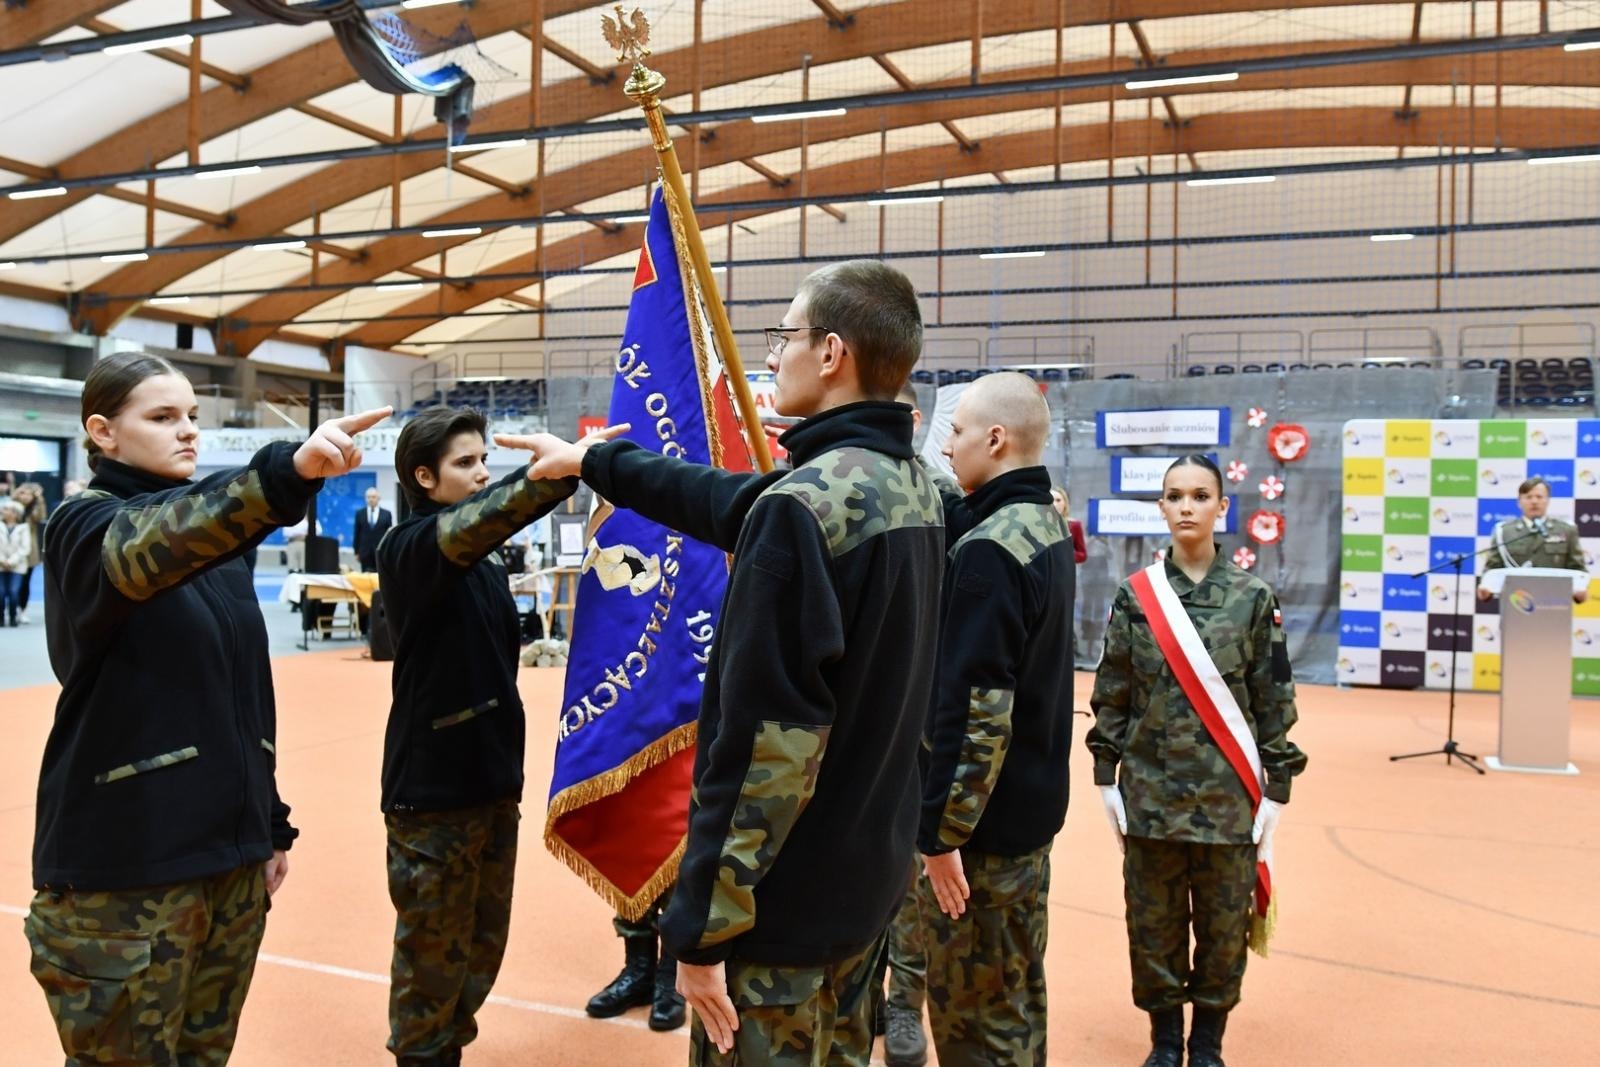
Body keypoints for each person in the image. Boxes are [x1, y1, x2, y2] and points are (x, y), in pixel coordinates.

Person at [514, 259, 943, 1066]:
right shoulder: (908, 486)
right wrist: (593, 462)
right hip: (866, 886)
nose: (771, 354)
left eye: (785, 334)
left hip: (781, 913)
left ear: (832, 354)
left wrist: (702, 927)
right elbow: (726, 501)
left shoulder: (801, 508)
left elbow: (763, 749)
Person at [26, 350, 388, 1065]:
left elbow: (240, 694)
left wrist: (269, 821)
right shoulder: (82, 526)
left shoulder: (223, 550)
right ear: (102, 432)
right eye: (162, 417)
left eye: (193, 414)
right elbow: (154, 541)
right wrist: (285, 473)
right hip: (128, 871)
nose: (188, 431)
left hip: (227, 862)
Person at [377, 406, 602, 1067]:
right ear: (423, 477)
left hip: (493, 781)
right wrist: (561, 472)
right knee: (431, 961)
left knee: (478, 947)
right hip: (433, 793)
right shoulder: (411, 549)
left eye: (484, 460)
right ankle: (424, 1056)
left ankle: (448, 1048)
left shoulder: (482, 562)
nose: (481, 474)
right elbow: (478, 523)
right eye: (464, 463)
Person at [1088, 454, 1308, 1067]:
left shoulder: (1253, 598)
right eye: (1175, 496)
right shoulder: (1137, 598)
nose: (1187, 506)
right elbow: (1115, 690)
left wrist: (1279, 786)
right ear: (1161, 508)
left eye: (1200, 495)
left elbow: (1274, 697)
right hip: (1151, 797)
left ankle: (1207, 1044)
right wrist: (1106, 774)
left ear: (1221, 507)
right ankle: (1163, 1043)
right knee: (1152, 928)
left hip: (1226, 801)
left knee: (1220, 931)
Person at [915, 372, 1075, 1066]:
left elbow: (978, 712)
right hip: (1024, 816)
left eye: (956, 432)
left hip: (980, 832)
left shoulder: (988, 551)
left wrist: (940, 834)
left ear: (996, 438)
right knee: (1013, 996)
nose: (947, 448)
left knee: (972, 1021)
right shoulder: (1040, 520)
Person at [1478, 475, 1589, 603]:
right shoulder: (1504, 531)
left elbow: (1578, 570)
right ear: (1519, 501)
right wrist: (1486, 590)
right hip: (1516, 603)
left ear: (1548, 500)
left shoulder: (1566, 530)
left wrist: (1580, 591)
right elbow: (1492, 570)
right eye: (1528, 497)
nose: (1534, 501)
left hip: (1555, 604)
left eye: (1539, 497)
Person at [11, 481, 47, 623]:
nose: (25, 496)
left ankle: (22, 610)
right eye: (22, 493)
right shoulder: (12, 507)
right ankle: (9, 609)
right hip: (10, 547)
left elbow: (40, 517)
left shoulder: (35, 508)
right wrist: (15, 494)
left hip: (30, 549)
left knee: (25, 582)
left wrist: (39, 499)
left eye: (28, 494)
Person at [0, 498, 29, 626]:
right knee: (0, 593)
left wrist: (11, 562)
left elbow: (25, 548)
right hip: (0, 565)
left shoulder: (24, 528)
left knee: (13, 592)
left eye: (6, 509)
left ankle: (13, 617)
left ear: (15, 513)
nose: (3, 511)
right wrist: (2, 561)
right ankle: (0, 618)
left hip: (17, 566)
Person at [355, 485, 394, 573]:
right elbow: (357, 533)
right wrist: (356, 551)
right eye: (368, 497)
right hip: (364, 552)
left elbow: (389, 534)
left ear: (378, 498)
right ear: (365, 499)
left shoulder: (387, 514)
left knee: (380, 576)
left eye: (373, 497)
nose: (371, 499)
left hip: (380, 551)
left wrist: (389, 551)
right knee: (365, 577)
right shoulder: (360, 514)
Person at [1051, 486, 1089, 565]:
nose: (1054, 504)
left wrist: (1066, 554)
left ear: (1065, 503)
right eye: (1051, 500)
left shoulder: (1074, 525)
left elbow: (1082, 555)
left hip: (1065, 572)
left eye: (1058, 500)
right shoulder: (1038, 525)